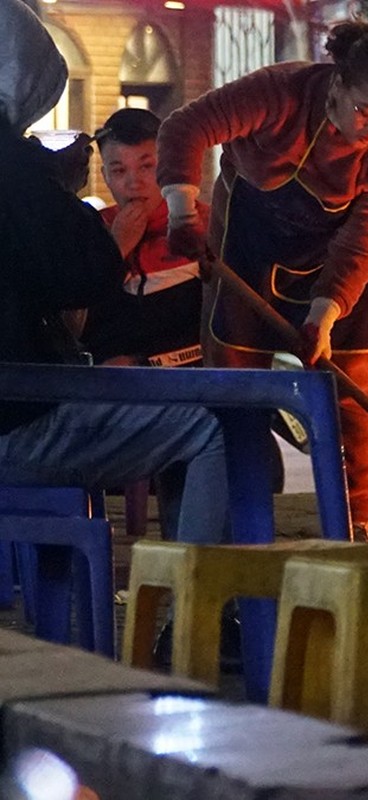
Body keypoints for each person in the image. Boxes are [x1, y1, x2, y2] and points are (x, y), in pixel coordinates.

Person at [157, 20, 368, 553]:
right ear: (338, 86)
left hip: (339, 259)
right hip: (249, 240)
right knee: (235, 382)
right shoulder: (279, 93)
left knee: (347, 393)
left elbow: (361, 245)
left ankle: (359, 528)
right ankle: (238, 528)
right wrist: (182, 211)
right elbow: (185, 128)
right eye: (366, 111)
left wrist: (323, 317)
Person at [0, 0, 228, 546]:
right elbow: (80, 273)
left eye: (149, 166)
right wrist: (56, 191)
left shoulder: (203, 231)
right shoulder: (11, 165)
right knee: (211, 429)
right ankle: (190, 614)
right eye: (119, 169)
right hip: (16, 425)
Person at [81, 108, 207, 367]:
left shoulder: (205, 225)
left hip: (191, 389)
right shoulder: (90, 230)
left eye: (146, 166)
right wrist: (115, 249)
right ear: (105, 177)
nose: (133, 183)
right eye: (119, 171)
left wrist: (144, 363)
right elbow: (72, 328)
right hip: (105, 392)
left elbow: (229, 331)